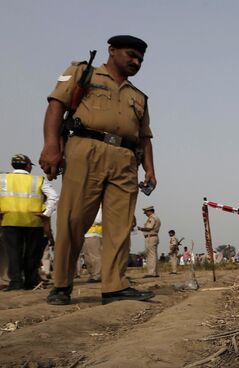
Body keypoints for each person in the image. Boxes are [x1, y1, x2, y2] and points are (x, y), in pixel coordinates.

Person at [40, 35, 156, 305]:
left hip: (126, 159)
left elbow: (145, 137)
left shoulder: (138, 96)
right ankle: (61, 284)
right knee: (73, 219)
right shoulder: (83, 73)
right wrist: (50, 147)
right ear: (112, 51)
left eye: (140, 59)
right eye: (131, 55)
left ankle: (114, 286)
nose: (136, 62)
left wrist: (150, 168)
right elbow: (57, 105)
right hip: (85, 149)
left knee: (120, 225)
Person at [0, 154, 59, 291]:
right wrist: (46, 213)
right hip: (34, 222)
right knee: (32, 254)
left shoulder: (3, 179)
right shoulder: (38, 180)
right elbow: (53, 196)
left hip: (10, 221)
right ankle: (30, 282)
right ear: (28, 166)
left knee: (14, 254)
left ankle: (16, 283)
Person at [137, 206, 160, 277]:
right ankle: (155, 272)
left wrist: (139, 228)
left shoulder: (152, 218)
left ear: (150, 211)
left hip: (151, 237)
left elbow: (149, 228)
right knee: (153, 255)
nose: (145, 214)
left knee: (151, 255)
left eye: (146, 212)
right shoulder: (156, 218)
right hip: (153, 237)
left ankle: (151, 273)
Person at [81, 208, 103, 283]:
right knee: (87, 257)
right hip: (86, 233)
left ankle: (97, 275)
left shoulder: (97, 205)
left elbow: (98, 219)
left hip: (94, 232)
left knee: (95, 256)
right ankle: (93, 274)